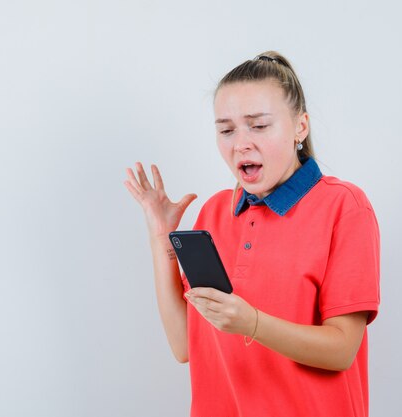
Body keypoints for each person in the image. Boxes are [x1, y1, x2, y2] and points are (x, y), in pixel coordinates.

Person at [124, 51, 380, 417]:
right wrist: (162, 238)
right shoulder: (214, 213)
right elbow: (184, 345)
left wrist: (253, 324)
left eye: (258, 126)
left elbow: (341, 350)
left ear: (299, 127)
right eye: (226, 129)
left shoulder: (345, 207)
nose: (240, 143)